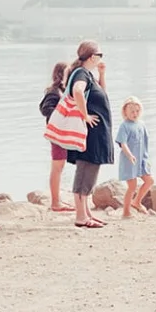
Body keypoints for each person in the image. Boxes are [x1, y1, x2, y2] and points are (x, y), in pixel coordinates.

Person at [64, 40, 113, 228]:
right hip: (89, 134)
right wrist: (85, 115)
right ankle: (80, 216)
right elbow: (77, 91)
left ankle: (86, 213)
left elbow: (102, 94)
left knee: (90, 171)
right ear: (92, 56)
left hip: (95, 133)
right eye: (100, 55)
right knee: (85, 171)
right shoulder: (81, 74)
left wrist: (101, 74)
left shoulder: (88, 74)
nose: (101, 58)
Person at [38, 62, 74, 212]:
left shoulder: (63, 91)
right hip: (58, 133)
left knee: (60, 165)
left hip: (62, 133)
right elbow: (45, 108)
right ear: (61, 74)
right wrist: (63, 115)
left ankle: (57, 199)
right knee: (57, 166)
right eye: (69, 72)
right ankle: (55, 202)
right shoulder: (54, 91)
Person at [116, 97, 152, 217]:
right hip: (129, 160)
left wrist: (146, 158)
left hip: (141, 159)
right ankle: (126, 212)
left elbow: (145, 142)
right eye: (132, 111)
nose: (135, 114)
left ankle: (137, 201)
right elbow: (123, 143)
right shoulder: (124, 126)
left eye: (137, 111)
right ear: (125, 112)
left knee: (149, 181)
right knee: (132, 186)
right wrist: (130, 155)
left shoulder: (141, 124)